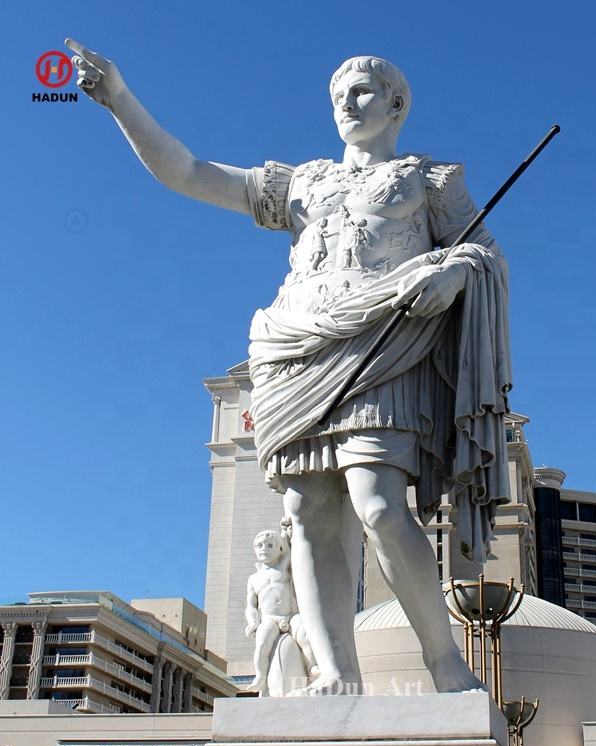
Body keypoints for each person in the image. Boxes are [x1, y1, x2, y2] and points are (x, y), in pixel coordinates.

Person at [66, 40, 512, 694]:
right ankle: (335, 672)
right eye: (337, 96)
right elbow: (189, 172)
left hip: (383, 345)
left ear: (396, 105)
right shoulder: (301, 182)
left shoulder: (429, 179)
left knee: (380, 505)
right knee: (307, 510)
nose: (347, 104)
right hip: (294, 349)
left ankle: (445, 664)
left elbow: (486, 254)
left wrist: (454, 272)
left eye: (361, 92)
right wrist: (120, 100)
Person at [245, 525, 317, 693]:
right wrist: (253, 622)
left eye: (270, 545)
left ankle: (313, 667)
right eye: (259, 546)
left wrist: (286, 532)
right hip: (269, 618)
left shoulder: (284, 567)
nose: (264, 549)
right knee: (262, 644)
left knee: (305, 635)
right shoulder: (254, 579)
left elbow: (292, 551)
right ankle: (260, 676)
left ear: (279, 549)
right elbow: (251, 606)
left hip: (291, 616)